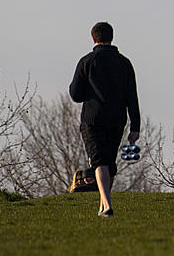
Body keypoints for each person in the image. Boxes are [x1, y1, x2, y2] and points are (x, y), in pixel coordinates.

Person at [69, 21, 140, 217]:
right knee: (108, 162)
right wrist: (136, 125)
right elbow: (132, 95)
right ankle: (103, 205)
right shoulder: (124, 63)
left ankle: (107, 205)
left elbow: (75, 94)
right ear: (112, 37)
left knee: (99, 161)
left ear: (93, 38)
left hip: (93, 118)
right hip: (117, 118)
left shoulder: (87, 61)